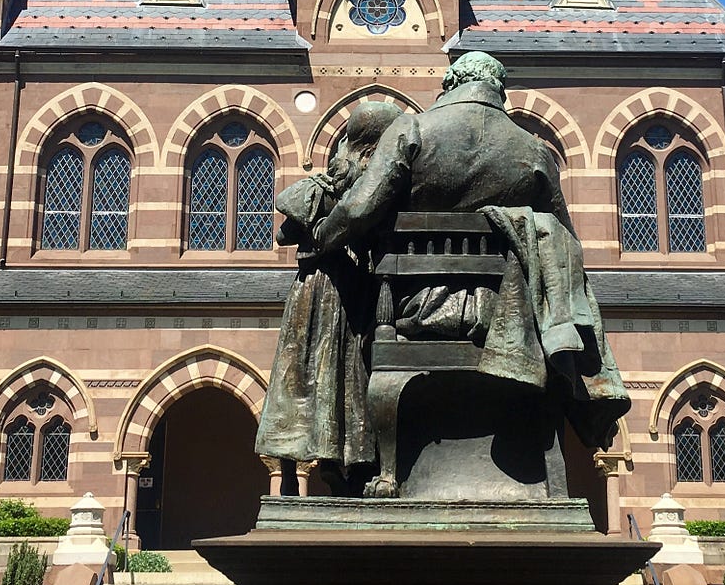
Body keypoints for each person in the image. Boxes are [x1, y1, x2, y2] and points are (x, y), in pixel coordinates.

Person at [314, 52, 628, 451]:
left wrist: (324, 234)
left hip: (416, 308)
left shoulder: (413, 129)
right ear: (499, 90)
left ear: (451, 84)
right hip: (513, 312)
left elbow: (359, 208)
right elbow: (565, 239)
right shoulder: (534, 151)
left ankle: (382, 467)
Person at [253, 101, 404, 481]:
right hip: (335, 293)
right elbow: (284, 233)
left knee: (327, 377)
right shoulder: (351, 191)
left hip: (338, 294)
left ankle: (320, 471)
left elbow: (285, 234)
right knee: (313, 376)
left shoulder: (347, 191)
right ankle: (310, 470)